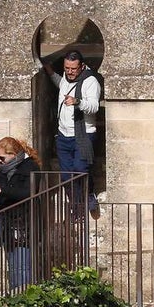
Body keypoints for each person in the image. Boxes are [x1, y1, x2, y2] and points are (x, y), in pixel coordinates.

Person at [44, 50, 100, 213]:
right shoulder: (66, 78)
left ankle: (89, 195)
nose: (69, 72)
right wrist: (50, 72)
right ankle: (76, 206)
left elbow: (94, 106)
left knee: (80, 170)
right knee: (66, 176)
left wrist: (78, 102)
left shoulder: (90, 81)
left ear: (81, 66)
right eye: (67, 68)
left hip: (83, 134)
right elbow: (61, 84)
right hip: (63, 135)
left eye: (73, 69)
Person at [0, 136, 41, 289]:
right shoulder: (3, 170)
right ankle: (15, 296)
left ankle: (24, 297)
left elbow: (28, 193)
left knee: (22, 266)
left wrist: (3, 190)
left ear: (13, 154)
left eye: (2, 157)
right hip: (6, 222)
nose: (0, 161)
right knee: (13, 266)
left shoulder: (30, 167)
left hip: (23, 222)